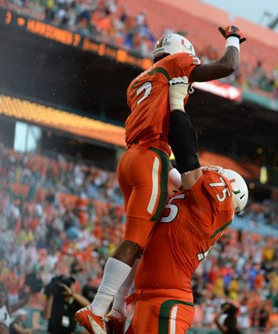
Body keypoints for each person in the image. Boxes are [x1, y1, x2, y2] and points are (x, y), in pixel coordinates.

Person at [75, 25, 246, 333]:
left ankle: (113, 311)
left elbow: (179, 173)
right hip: (152, 156)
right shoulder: (176, 65)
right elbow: (228, 66)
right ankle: (98, 309)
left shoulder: (138, 81)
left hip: (131, 157)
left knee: (136, 239)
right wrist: (233, 38)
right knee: (135, 240)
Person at [124, 77, 249, 334]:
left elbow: (187, 155)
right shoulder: (194, 201)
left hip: (168, 301)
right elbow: (162, 161)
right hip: (148, 296)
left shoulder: (216, 206)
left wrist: (177, 102)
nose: (213, 172)